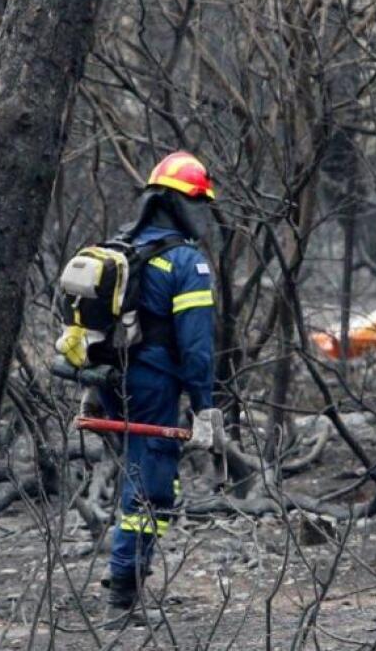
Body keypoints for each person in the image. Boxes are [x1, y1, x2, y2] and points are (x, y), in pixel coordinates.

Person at [95, 151, 221, 627]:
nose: (202, 212)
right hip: (152, 385)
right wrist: (205, 408)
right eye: (198, 201)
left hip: (110, 382)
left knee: (138, 476)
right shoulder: (186, 262)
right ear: (176, 204)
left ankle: (126, 577)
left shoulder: (122, 247)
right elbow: (196, 348)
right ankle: (122, 596)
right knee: (152, 489)